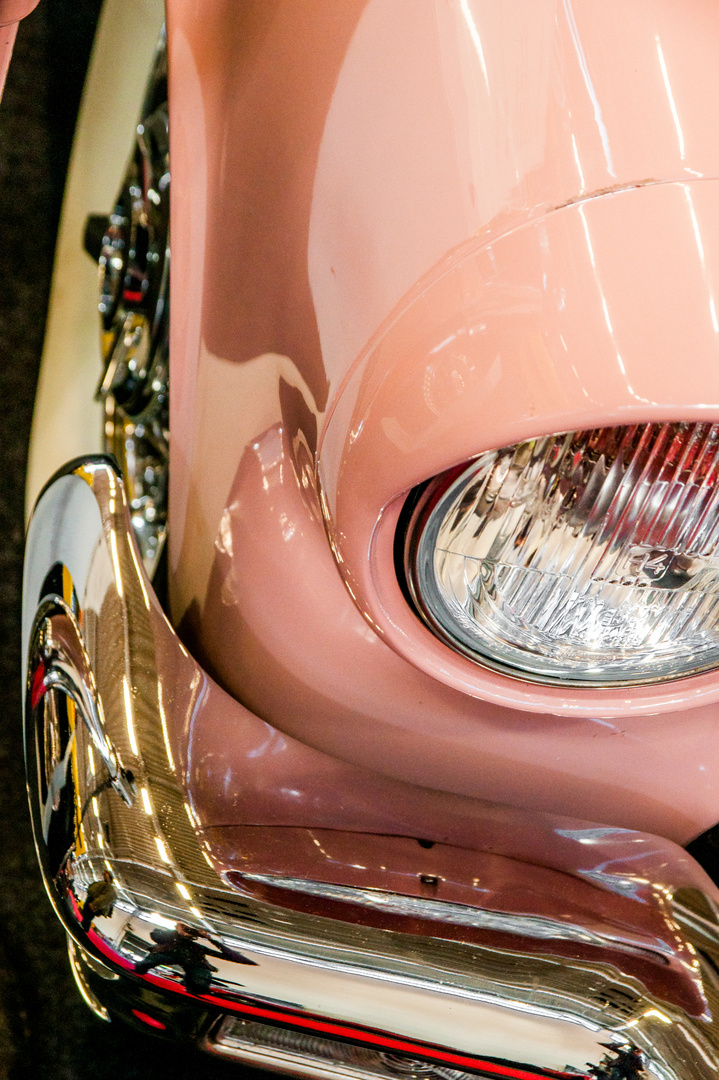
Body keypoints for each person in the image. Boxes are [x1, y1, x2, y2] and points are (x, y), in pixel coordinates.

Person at [134, 921, 257, 995]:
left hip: (192, 959)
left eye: (192, 930)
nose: (189, 930)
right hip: (166, 952)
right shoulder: (170, 938)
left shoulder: (198, 947)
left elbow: (231, 956)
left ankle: (191, 987)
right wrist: (177, 932)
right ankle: (140, 970)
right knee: (143, 966)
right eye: (187, 927)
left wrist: (210, 939)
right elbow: (155, 936)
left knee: (200, 980)